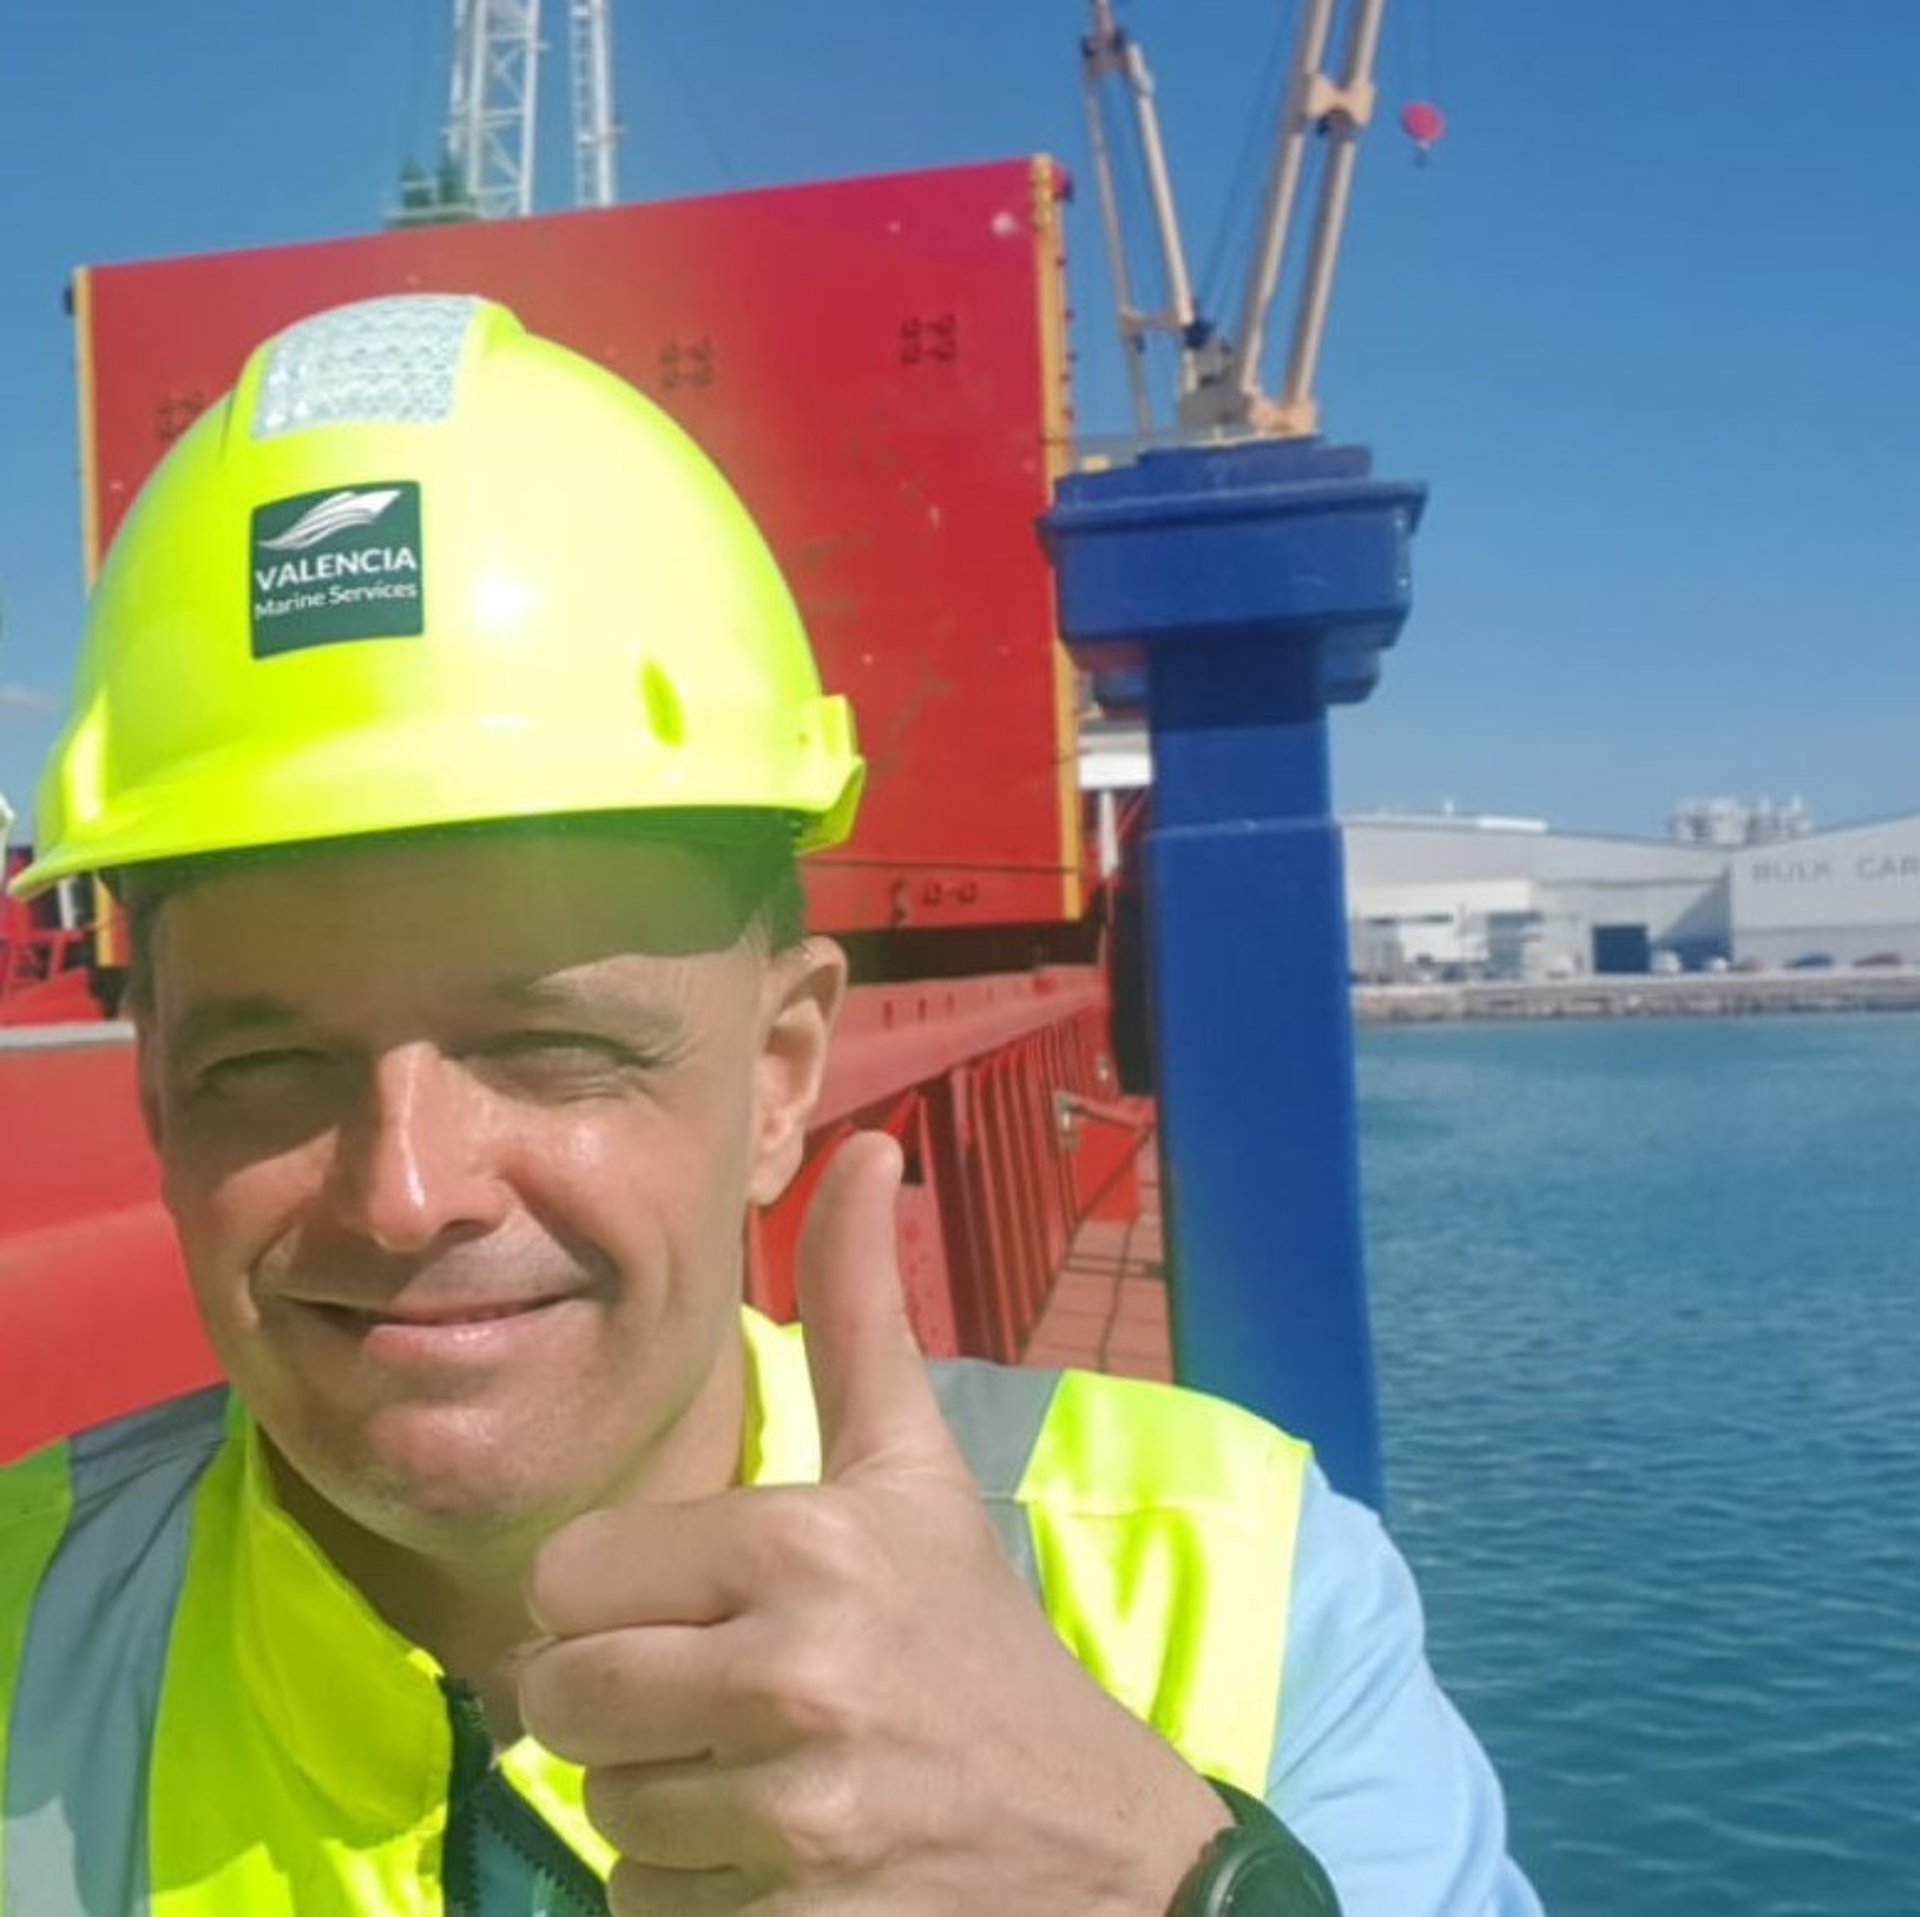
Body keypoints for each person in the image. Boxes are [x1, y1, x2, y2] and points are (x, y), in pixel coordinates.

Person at [0, 294, 1540, 1916]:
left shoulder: (1227, 1586)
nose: (403, 1191)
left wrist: (1160, 1883)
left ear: (782, 1069)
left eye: (550, 1045)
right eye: (265, 1067)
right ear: (163, 1101)